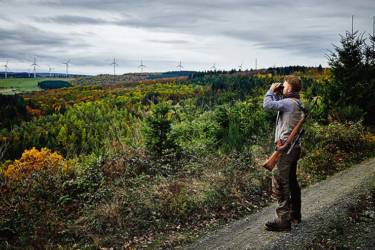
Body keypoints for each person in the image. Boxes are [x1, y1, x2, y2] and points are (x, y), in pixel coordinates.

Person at [262, 75, 304, 231]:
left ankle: (283, 220)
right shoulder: (297, 102)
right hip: (294, 148)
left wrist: (270, 91)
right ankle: (295, 215)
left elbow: (267, 105)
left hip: (285, 150)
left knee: (280, 182)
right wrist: (280, 93)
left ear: (290, 88)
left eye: (284, 86)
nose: (282, 87)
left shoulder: (288, 103)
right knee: (292, 181)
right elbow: (281, 105)